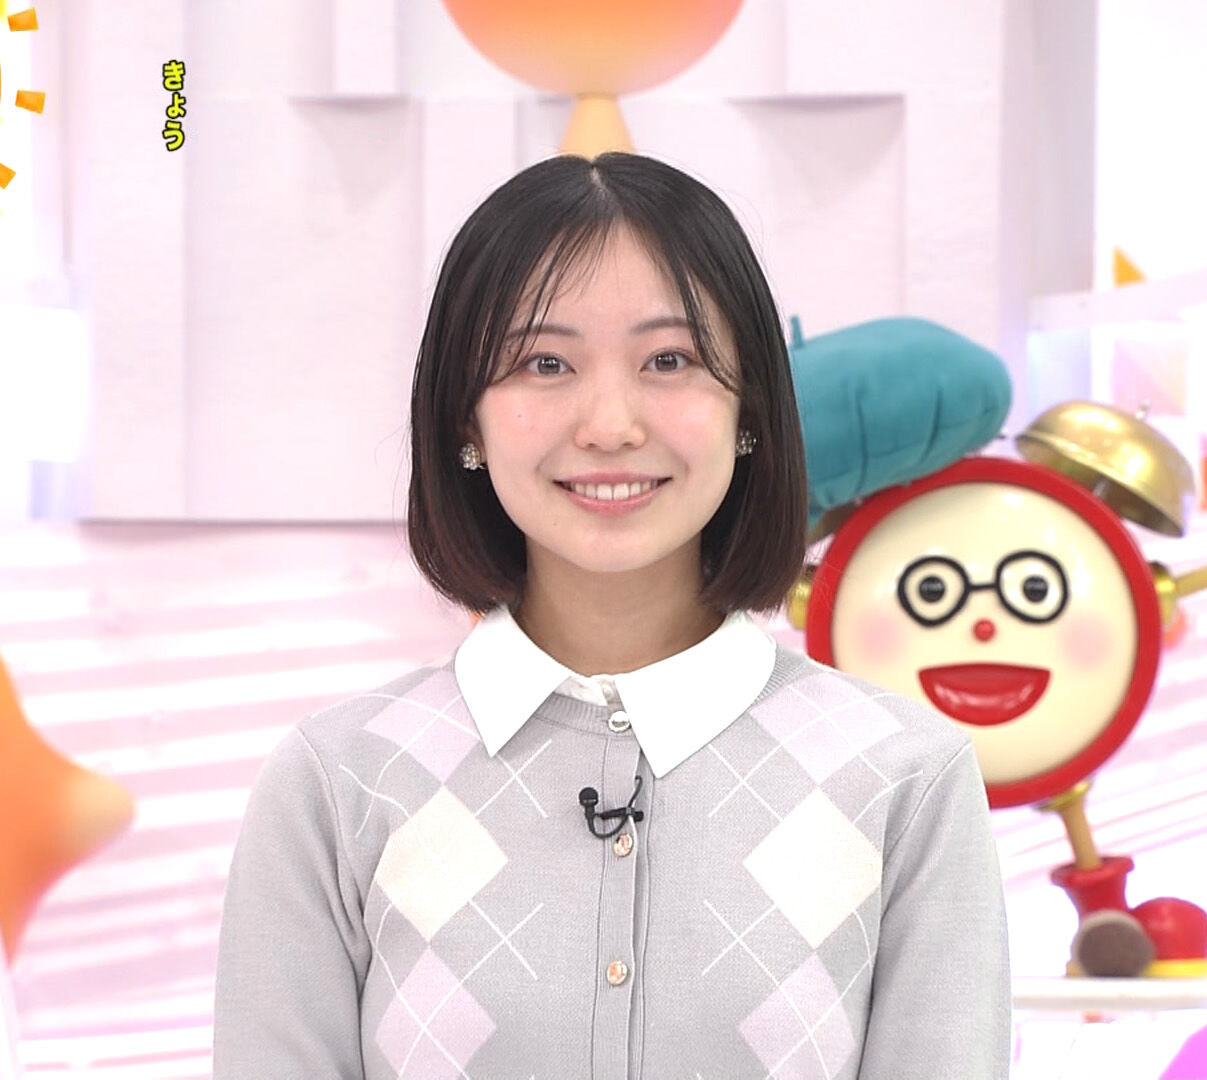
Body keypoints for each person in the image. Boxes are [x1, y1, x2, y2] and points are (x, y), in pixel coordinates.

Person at [213, 152, 1010, 1080]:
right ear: (466, 421)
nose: (609, 424)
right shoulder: (339, 783)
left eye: (669, 360)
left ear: (749, 408)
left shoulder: (903, 779)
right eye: (544, 363)